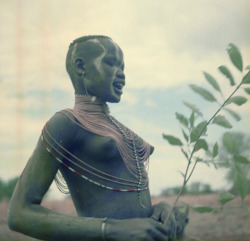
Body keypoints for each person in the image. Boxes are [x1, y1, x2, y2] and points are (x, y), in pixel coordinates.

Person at [8, 35, 178, 241]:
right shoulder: (67, 123)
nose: (122, 75)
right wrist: (113, 229)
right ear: (81, 67)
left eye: (123, 67)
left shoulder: (119, 128)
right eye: (111, 63)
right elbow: (19, 214)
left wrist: (160, 208)